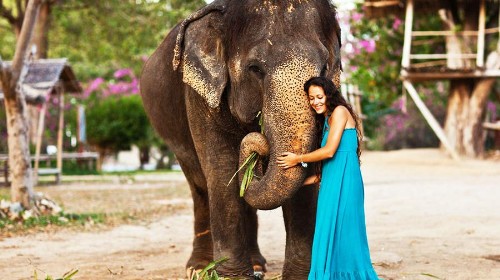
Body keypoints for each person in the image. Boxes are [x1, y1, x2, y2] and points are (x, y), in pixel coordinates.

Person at [277, 76, 379, 279]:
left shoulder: (340, 112)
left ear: (329, 95)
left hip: (346, 186)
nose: (315, 102)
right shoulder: (327, 121)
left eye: (319, 97)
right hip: (329, 187)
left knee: (347, 235)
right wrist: (294, 184)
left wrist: (298, 159)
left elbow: (330, 151)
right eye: (311, 98)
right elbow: (326, 172)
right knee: (326, 233)